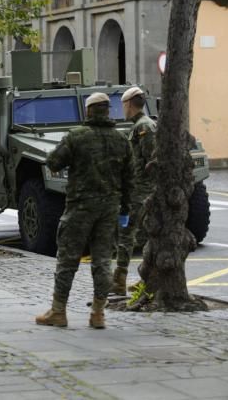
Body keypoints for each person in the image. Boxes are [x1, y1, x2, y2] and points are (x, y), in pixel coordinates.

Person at [36, 92, 134, 330]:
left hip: (80, 208)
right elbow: (130, 179)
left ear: (89, 111)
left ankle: (58, 311)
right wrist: (125, 209)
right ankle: (98, 314)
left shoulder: (76, 137)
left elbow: (53, 162)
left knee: (68, 260)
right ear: (108, 111)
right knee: (102, 262)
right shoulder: (122, 141)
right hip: (109, 209)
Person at [111, 86, 156, 295]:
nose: (123, 109)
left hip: (141, 193)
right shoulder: (138, 125)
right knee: (146, 236)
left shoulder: (144, 126)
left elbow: (152, 161)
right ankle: (149, 280)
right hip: (137, 191)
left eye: (123, 105)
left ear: (129, 105)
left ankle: (119, 281)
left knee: (126, 235)